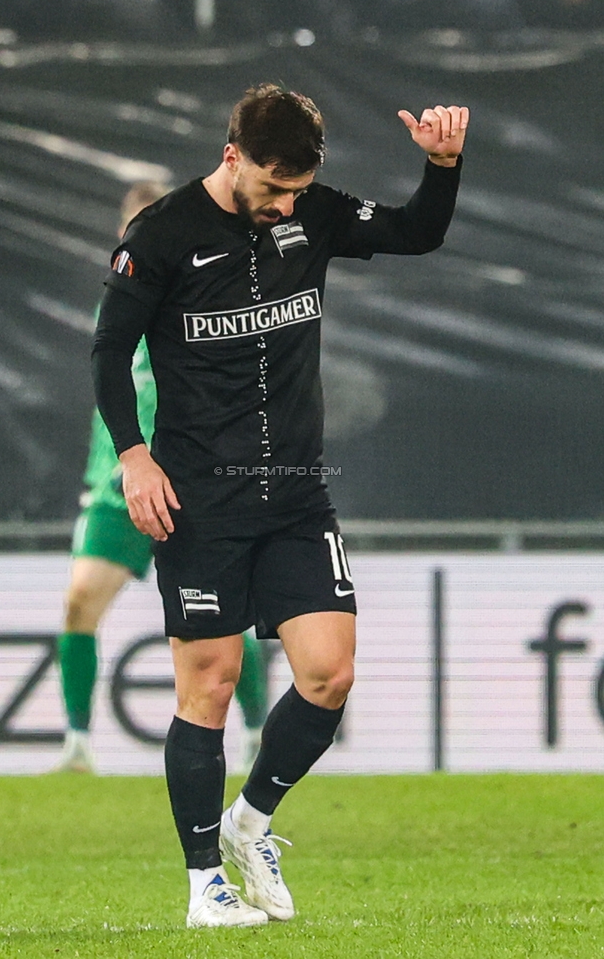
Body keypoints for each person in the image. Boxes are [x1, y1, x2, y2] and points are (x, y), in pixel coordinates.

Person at [92, 84, 468, 928]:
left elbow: (417, 231)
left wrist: (442, 167)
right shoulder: (160, 237)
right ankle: (204, 889)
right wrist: (133, 454)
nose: (285, 204)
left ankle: (250, 823)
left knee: (330, 674)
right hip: (200, 499)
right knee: (211, 686)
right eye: (272, 187)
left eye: (297, 189)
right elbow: (109, 352)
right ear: (232, 156)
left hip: (296, 493)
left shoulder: (313, 213)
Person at [56, 181, 270, 775]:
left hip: (192, 486)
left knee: (227, 623)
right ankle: (76, 745)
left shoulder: (209, 292)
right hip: (118, 487)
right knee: (78, 603)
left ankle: (256, 735)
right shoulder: (117, 298)